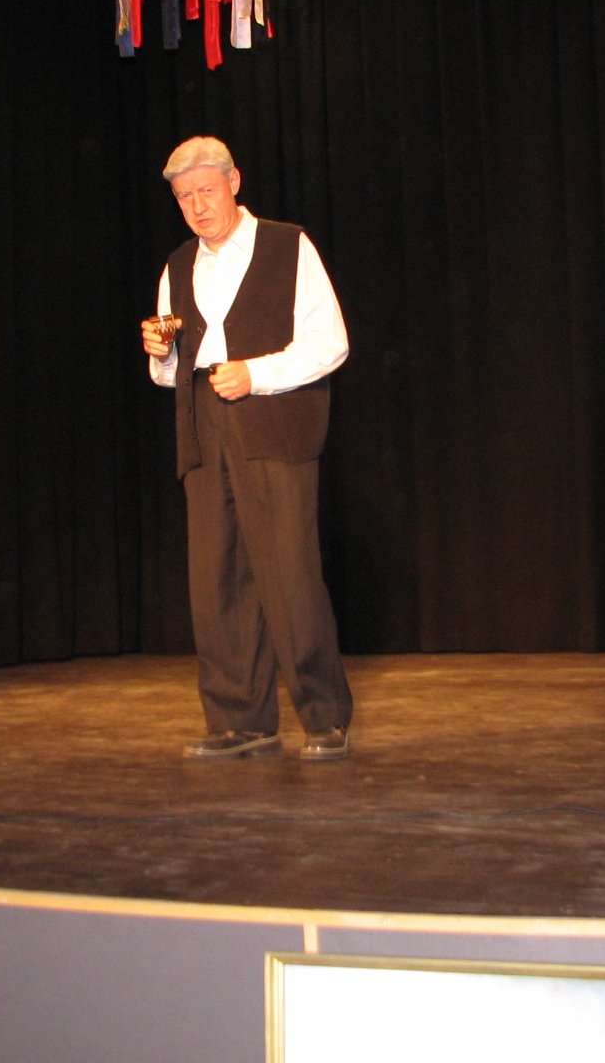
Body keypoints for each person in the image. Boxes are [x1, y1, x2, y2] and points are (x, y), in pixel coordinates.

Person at [140, 136, 354, 760]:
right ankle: (241, 721)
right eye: (184, 197)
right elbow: (170, 369)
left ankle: (324, 716)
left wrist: (256, 374)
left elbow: (330, 342)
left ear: (234, 182)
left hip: (273, 420)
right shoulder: (178, 264)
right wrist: (162, 355)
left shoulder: (288, 246)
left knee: (290, 573)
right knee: (217, 578)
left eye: (206, 190)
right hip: (204, 424)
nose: (197, 206)